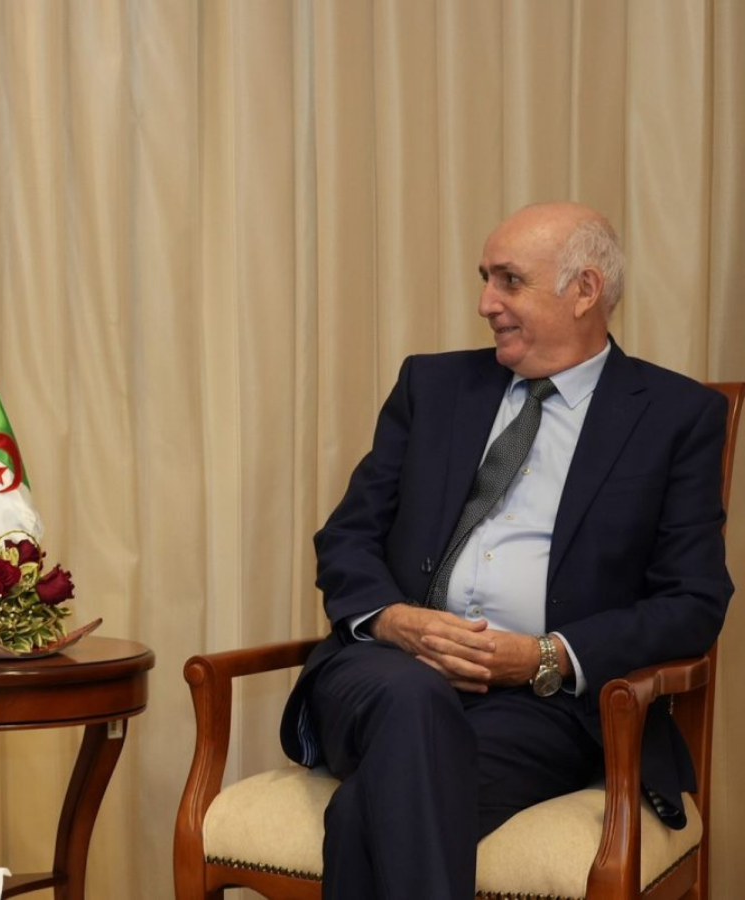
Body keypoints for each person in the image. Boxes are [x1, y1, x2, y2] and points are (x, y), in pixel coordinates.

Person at [279, 201, 733, 898]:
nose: (486, 303)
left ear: (584, 290)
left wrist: (546, 656)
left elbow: (692, 602)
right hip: (386, 672)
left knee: (364, 813)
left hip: (539, 706)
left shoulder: (675, 417)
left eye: (509, 280)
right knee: (413, 699)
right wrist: (396, 622)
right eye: (485, 279)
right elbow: (348, 537)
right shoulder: (432, 387)